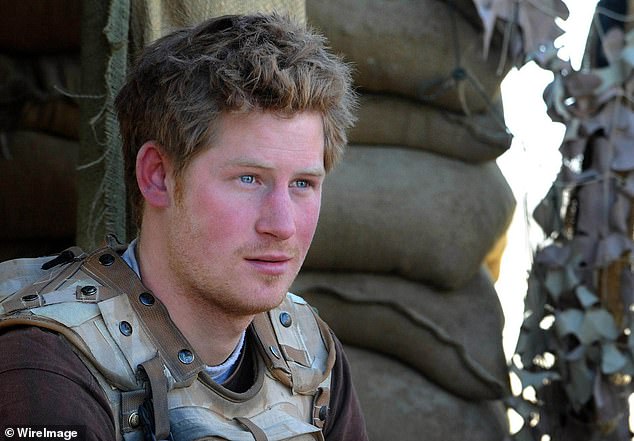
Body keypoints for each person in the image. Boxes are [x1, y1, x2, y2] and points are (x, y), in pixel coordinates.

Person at [0, 13, 367, 441]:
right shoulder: (44, 366)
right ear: (158, 175)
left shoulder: (310, 354)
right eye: (248, 179)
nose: (282, 226)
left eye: (303, 184)